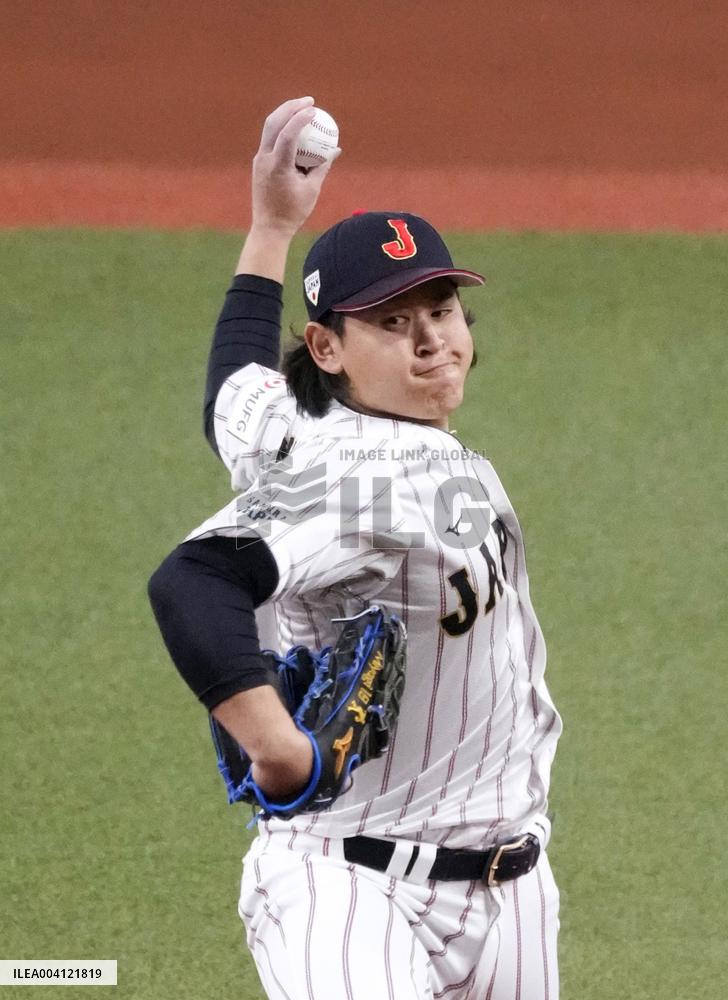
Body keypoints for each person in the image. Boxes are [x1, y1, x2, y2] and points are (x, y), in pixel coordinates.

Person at [148, 97, 562, 1000]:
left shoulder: (294, 420)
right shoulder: (362, 477)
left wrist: (270, 227)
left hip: (512, 895)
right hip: (349, 887)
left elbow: (234, 388)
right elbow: (195, 577)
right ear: (329, 346)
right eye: (391, 322)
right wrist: (276, 748)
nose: (430, 341)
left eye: (442, 309)